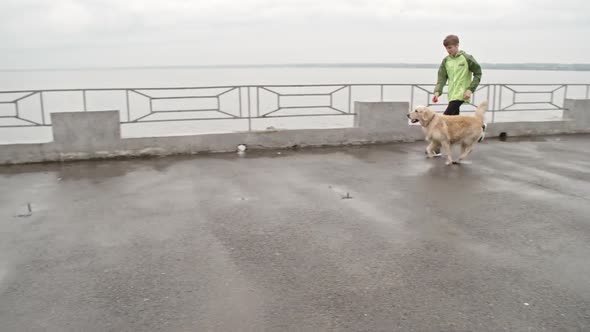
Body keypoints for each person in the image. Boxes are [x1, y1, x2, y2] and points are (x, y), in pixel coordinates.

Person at [432, 34, 482, 115]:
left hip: (462, 94)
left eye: (450, 47)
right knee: (454, 122)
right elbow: (442, 78)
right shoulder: (446, 61)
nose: (448, 50)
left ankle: (479, 126)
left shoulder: (467, 58)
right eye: (446, 48)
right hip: (452, 95)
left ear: (457, 45)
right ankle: (479, 126)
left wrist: (470, 90)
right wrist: (437, 92)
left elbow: (478, 73)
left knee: (445, 118)